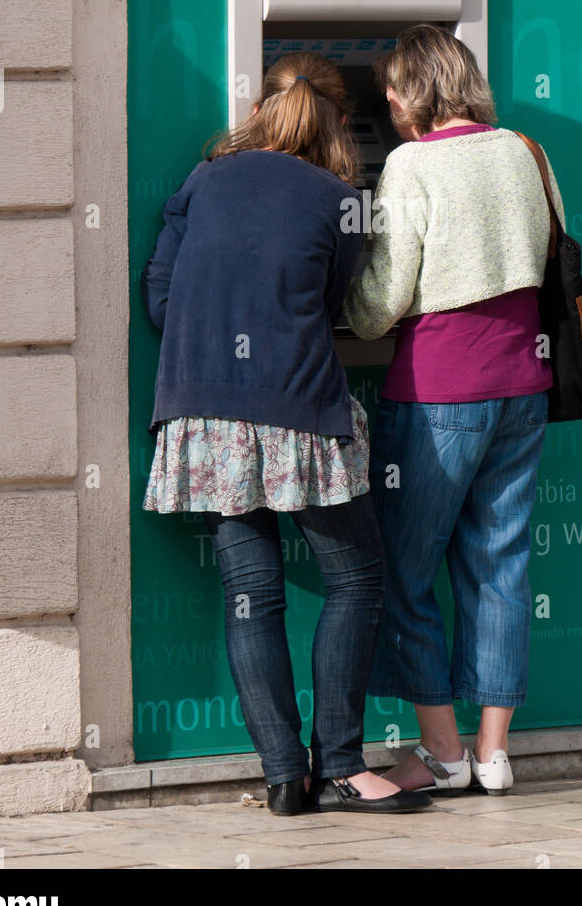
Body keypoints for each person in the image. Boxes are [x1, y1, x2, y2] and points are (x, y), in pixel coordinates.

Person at [140, 51, 431, 816]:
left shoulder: (203, 180)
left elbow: (160, 297)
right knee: (357, 577)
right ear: (338, 120)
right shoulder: (336, 196)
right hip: (296, 407)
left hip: (201, 412)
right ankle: (338, 762)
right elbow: (338, 303)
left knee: (251, 592)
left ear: (261, 107)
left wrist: (220, 332)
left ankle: (282, 775)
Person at [342, 24, 565, 797]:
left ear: (416, 90)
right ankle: (494, 753)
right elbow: (539, 255)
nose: (390, 105)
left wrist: (343, 308)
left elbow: (384, 295)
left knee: (405, 572)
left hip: (440, 390)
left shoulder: (409, 162)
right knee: (500, 564)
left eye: (392, 91)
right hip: (523, 385)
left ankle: (440, 752)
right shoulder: (519, 150)